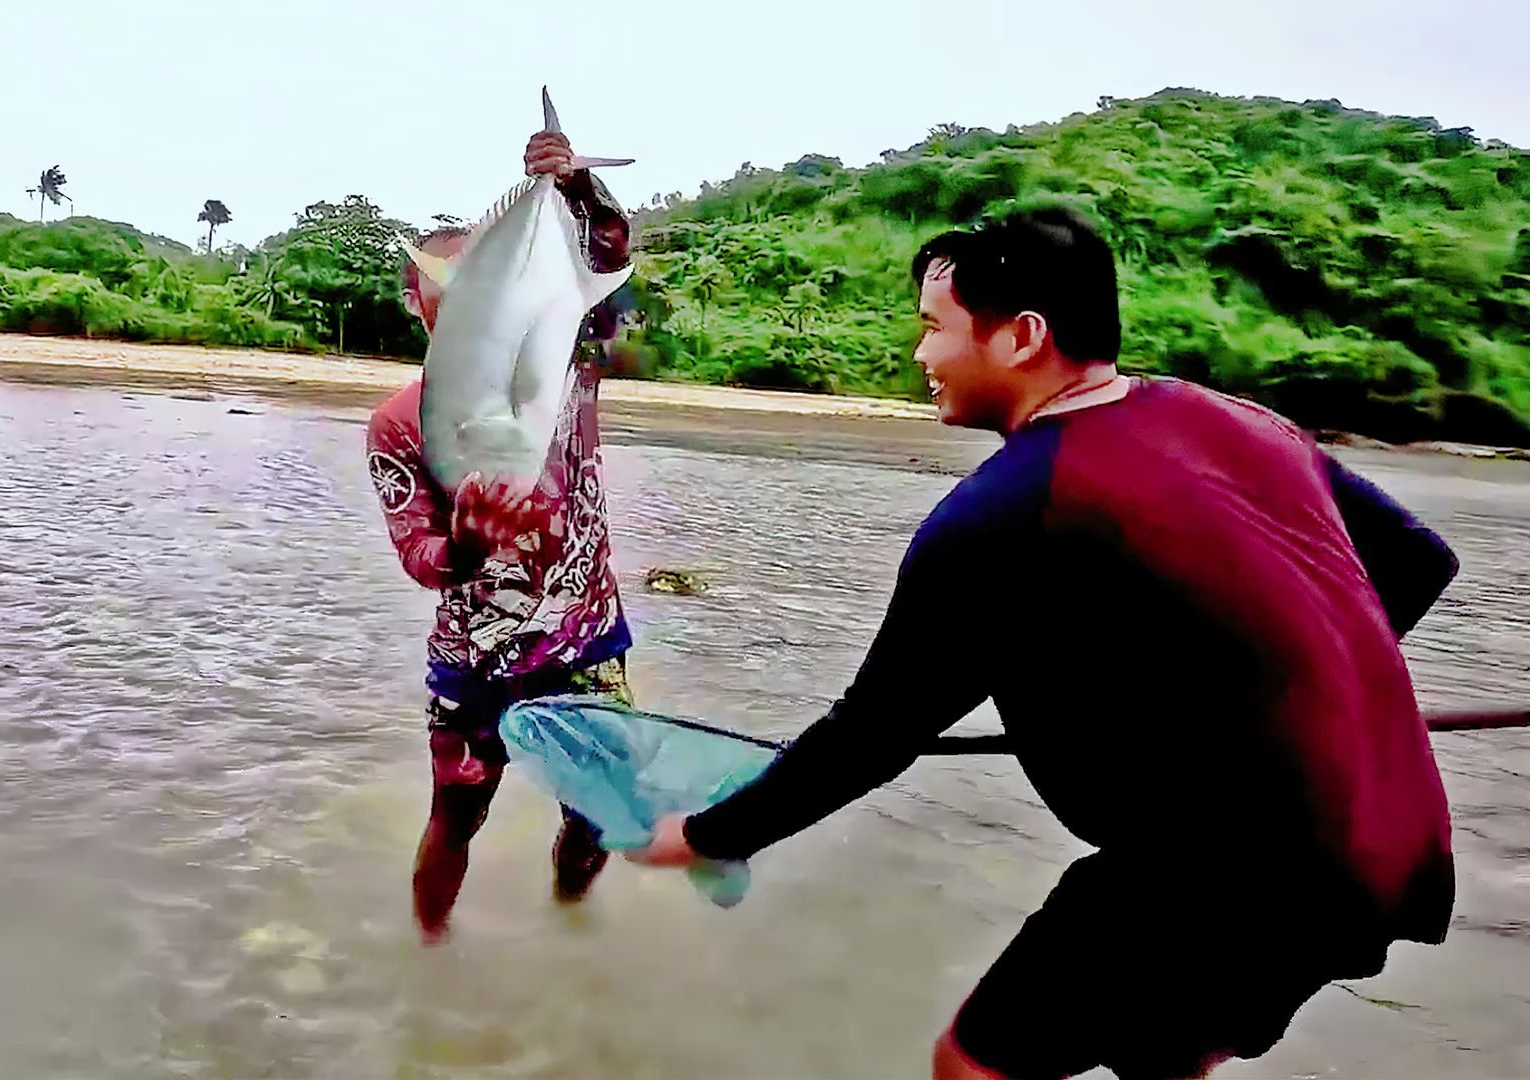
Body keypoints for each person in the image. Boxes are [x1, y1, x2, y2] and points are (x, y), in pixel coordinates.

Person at [626, 205, 1460, 1080]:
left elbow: (871, 735)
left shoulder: (1006, 510)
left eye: (934, 329)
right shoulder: (1239, 420)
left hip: (1216, 876)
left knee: (975, 1065)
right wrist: (1293, 700)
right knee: (1166, 1051)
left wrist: (710, 835)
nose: (921, 358)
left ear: (1022, 336)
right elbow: (1413, 565)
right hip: (1385, 851)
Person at [366, 124, 636, 945]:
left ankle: (567, 928)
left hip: (585, 643)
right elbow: (419, 554)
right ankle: (429, 966)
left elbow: (611, 260)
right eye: (454, 282)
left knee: (596, 819)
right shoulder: (397, 424)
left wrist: (576, 185)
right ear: (421, 303)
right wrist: (470, 549)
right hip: (474, 660)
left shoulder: (568, 369)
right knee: (456, 818)